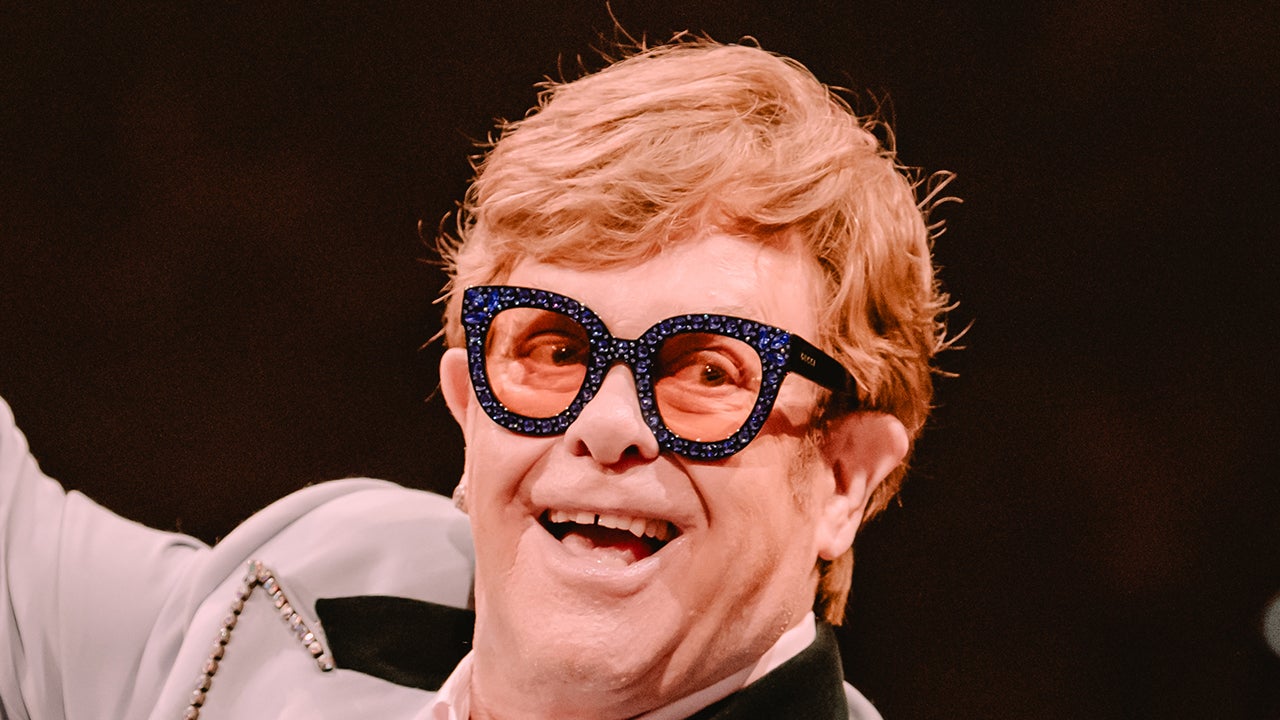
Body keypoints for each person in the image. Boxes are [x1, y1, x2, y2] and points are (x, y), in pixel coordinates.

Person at [0, 37, 951, 720]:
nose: (607, 423)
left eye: (706, 368)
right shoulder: (308, 586)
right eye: (555, 351)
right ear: (468, 408)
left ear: (843, 477)